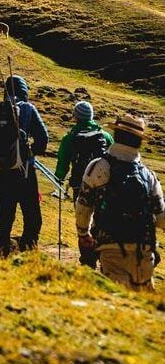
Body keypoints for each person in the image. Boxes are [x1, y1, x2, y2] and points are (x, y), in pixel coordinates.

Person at [75, 113, 165, 291]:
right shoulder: (149, 176)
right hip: (145, 251)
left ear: (116, 135)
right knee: (142, 309)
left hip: (112, 249)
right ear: (139, 141)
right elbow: (161, 218)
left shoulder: (99, 167)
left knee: (118, 304)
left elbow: (83, 206)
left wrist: (83, 232)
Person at [0, 74, 48, 259]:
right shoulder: (28, 109)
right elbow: (43, 139)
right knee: (32, 217)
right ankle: (28, 255)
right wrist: (30, 152)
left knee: (3, 218)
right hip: (24, 172)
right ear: (25, 91)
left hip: (1, 171)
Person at [55, 100, 113, 266]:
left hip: (79, 186)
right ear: (92, 116)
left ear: (76, 117)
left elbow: (62, 162)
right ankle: (102, 255)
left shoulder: (70, 138)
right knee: (101, 221)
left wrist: (59, 177)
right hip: (104, 187)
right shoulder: (106, 136)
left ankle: (87, 260)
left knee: (84, 221)